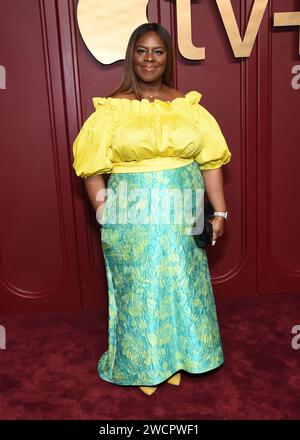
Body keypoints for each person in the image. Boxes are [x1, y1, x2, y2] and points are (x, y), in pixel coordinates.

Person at [72, 22, 231, 396]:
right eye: (142, 50)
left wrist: (220, 212)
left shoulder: (188, 107)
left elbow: (210, 163)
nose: (149, 58)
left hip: (185, 206)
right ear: (131, 56)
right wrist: (104, 212)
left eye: (157, 51)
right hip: (131, 212)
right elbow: (91, 169)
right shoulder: (111, 111)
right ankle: (143, 362)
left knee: (184, 281)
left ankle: (192, 355)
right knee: (140, 287)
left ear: (167, 57)